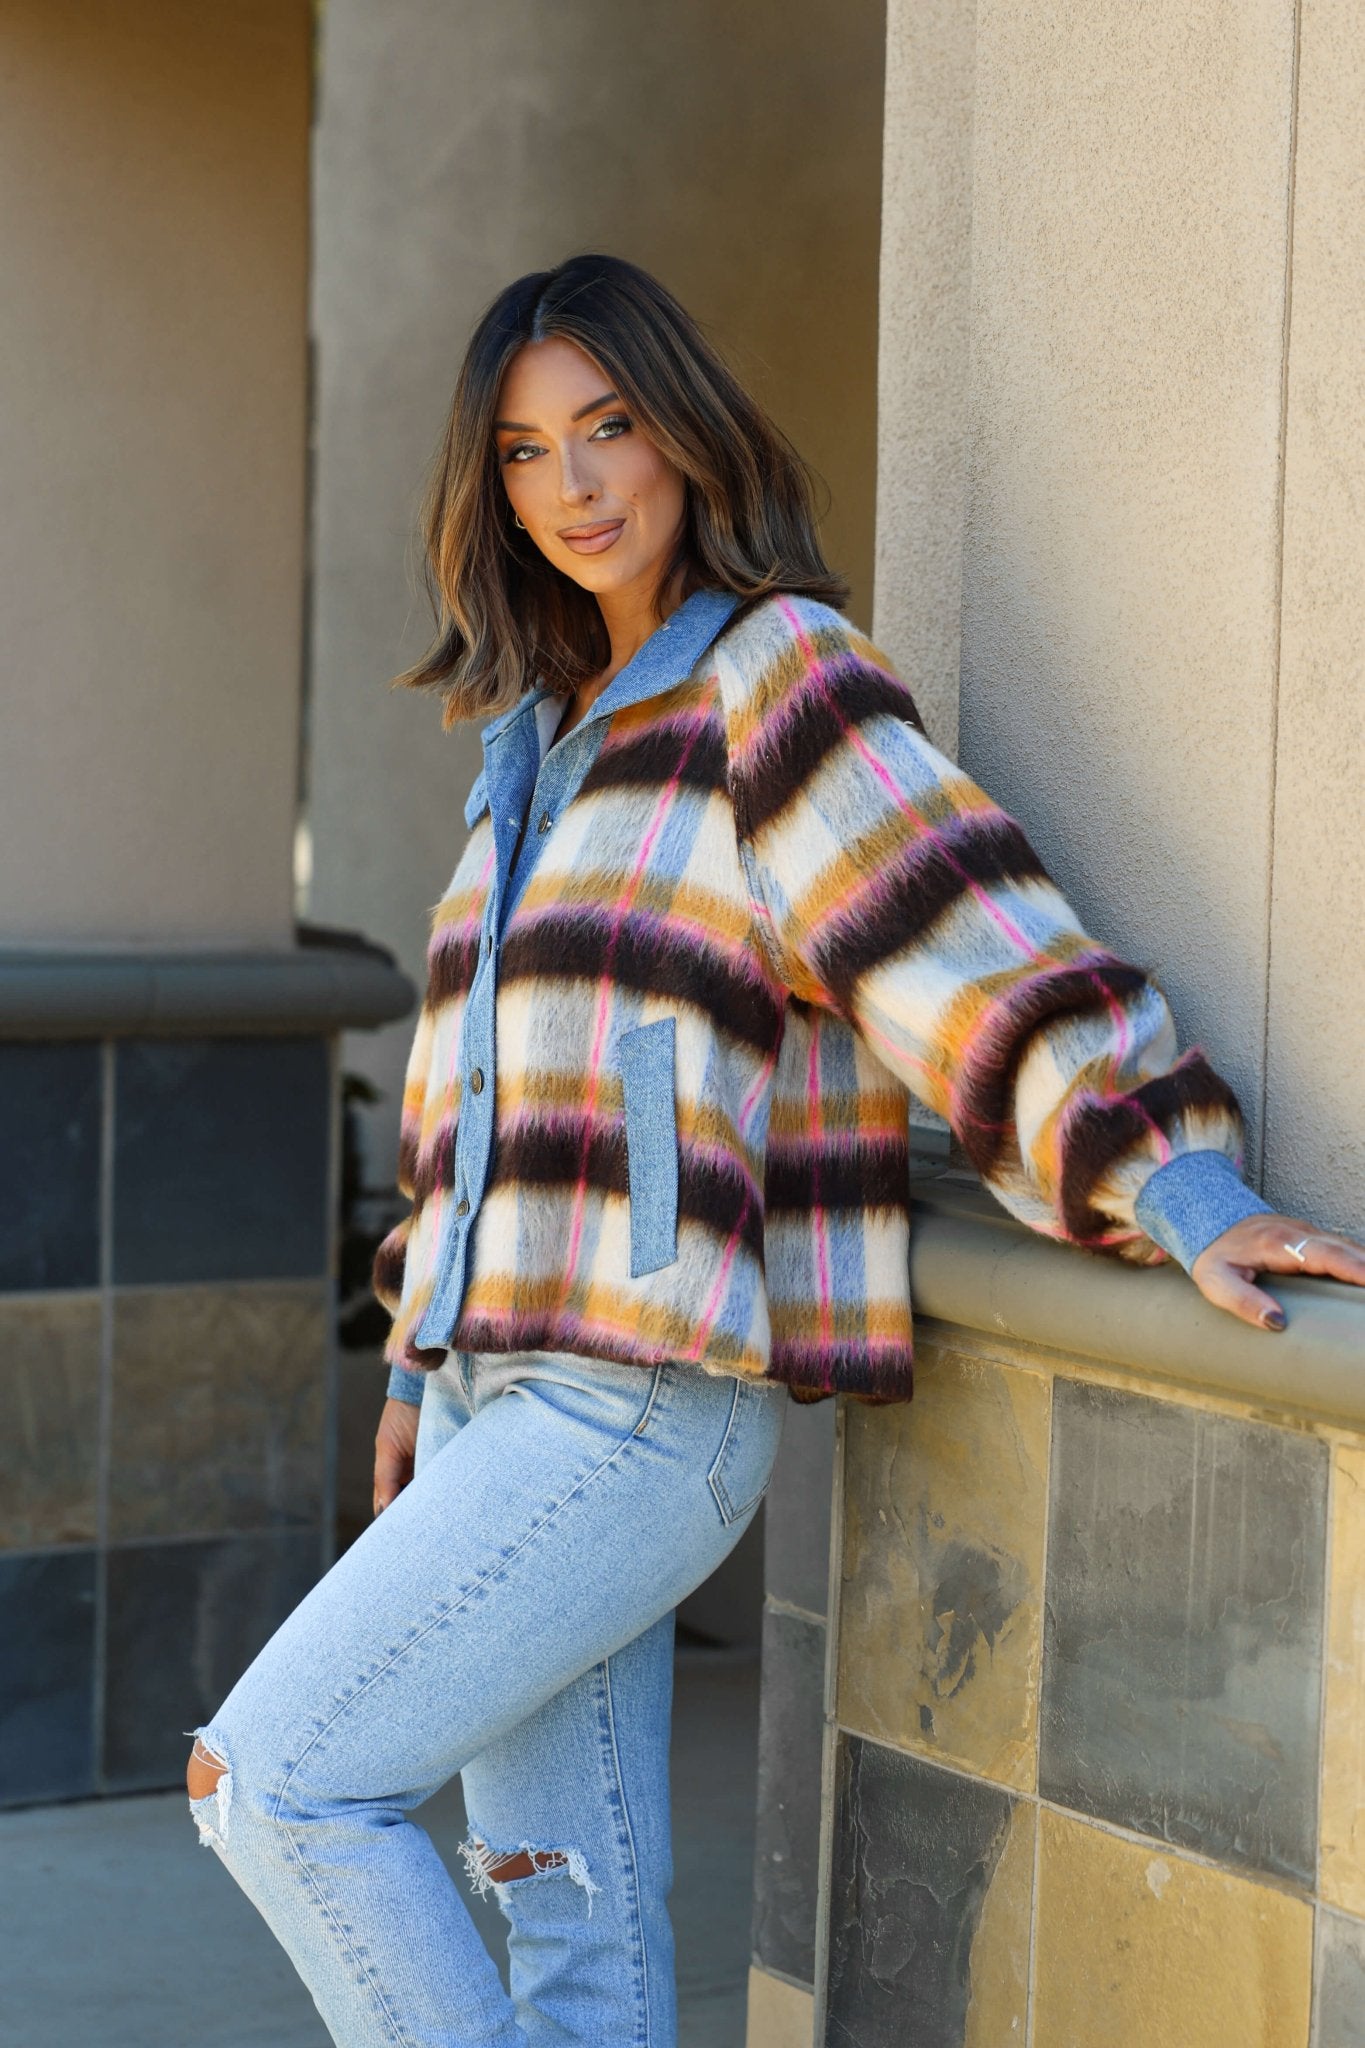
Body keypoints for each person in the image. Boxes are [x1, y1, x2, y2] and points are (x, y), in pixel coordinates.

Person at [185, 252, 1365, 2048]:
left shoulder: (773, 675)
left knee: (273, 1783)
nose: (574, 485)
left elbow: (958, 941)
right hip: (501, 1402)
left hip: (636, 1408)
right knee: (569, 1926)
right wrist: (421, 1360)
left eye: (607, 427)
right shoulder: (536, 745)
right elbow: (474, 1096)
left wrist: (1173, 1182)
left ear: (684, 432)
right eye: (524, 453)